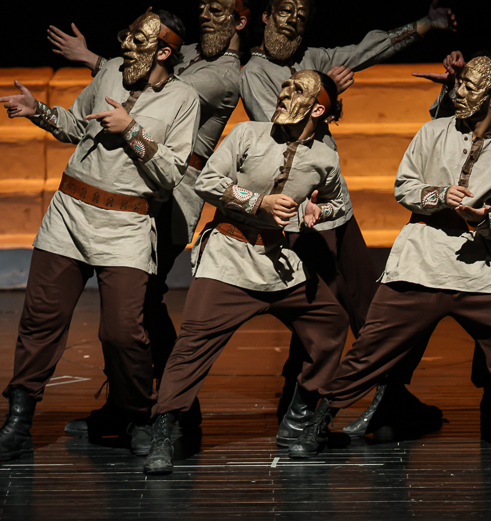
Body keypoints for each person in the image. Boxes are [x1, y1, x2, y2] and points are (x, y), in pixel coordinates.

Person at [288, 52, 491, 459]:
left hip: (475, 267)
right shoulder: (432, 132)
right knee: (371, 349)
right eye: (460, 82)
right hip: (421, 259)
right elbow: (404, 187)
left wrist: (483, 221)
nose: (459, 91)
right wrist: (440, 196)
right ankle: (318, 421)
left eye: (470, 86)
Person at [0, 10, 200, 461]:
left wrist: (131, 131)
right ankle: (18, 423)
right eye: (128, 36)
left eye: (138, 40)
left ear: (164, 51)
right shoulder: (111, 72)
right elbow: (76, 125)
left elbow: (171, 173)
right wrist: (39, 111)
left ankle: (136, 415)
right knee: (40, 321)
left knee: (123, 333)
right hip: (70, 214)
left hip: (125, 225)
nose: (126, 47)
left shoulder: (183, 99)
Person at [239, 0, 457, 439]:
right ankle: (309, 401)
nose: (292, 20)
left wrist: (425, 25)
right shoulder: (255, 72)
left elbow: (368, 48)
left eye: (301, 15)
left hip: (333, 207)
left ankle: (387, 397)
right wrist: (329, 90)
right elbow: (282, 125)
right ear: (265, 16)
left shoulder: (313, 57)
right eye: (284, 11)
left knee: (360, 302)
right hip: (299, 209)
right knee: (322, 305)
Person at [344, 10, 491, 442]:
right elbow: (452, 128)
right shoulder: (487, 86)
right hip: (438, 213)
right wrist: (459, 86)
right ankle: (389, 400)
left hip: (482, 216)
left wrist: (466, 92)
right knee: (412, 315)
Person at [48, 0, 251, 438]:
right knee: (134, 307)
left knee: (139, 304)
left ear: (239, 21)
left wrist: (94, 60)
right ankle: (136, 406)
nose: (205, 15)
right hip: (140, 178)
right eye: (202, 8)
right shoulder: (192, 52)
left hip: (173, 191)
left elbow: (153, 87)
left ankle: (172, 407)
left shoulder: (224, 74)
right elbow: (137, 67)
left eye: (217, 10)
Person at [142, 70, 353, 475]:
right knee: (192, 346)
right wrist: (258, 202)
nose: (284, 94)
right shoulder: (248, 134)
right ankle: (163, 432)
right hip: (229, 255)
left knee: (330, 322)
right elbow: (208, 181)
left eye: (296, 90)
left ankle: (299, 414)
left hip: (278, 262)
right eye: (285, 86)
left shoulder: (325, 157)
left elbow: (339, 203)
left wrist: (318, 211)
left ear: (318, 109)